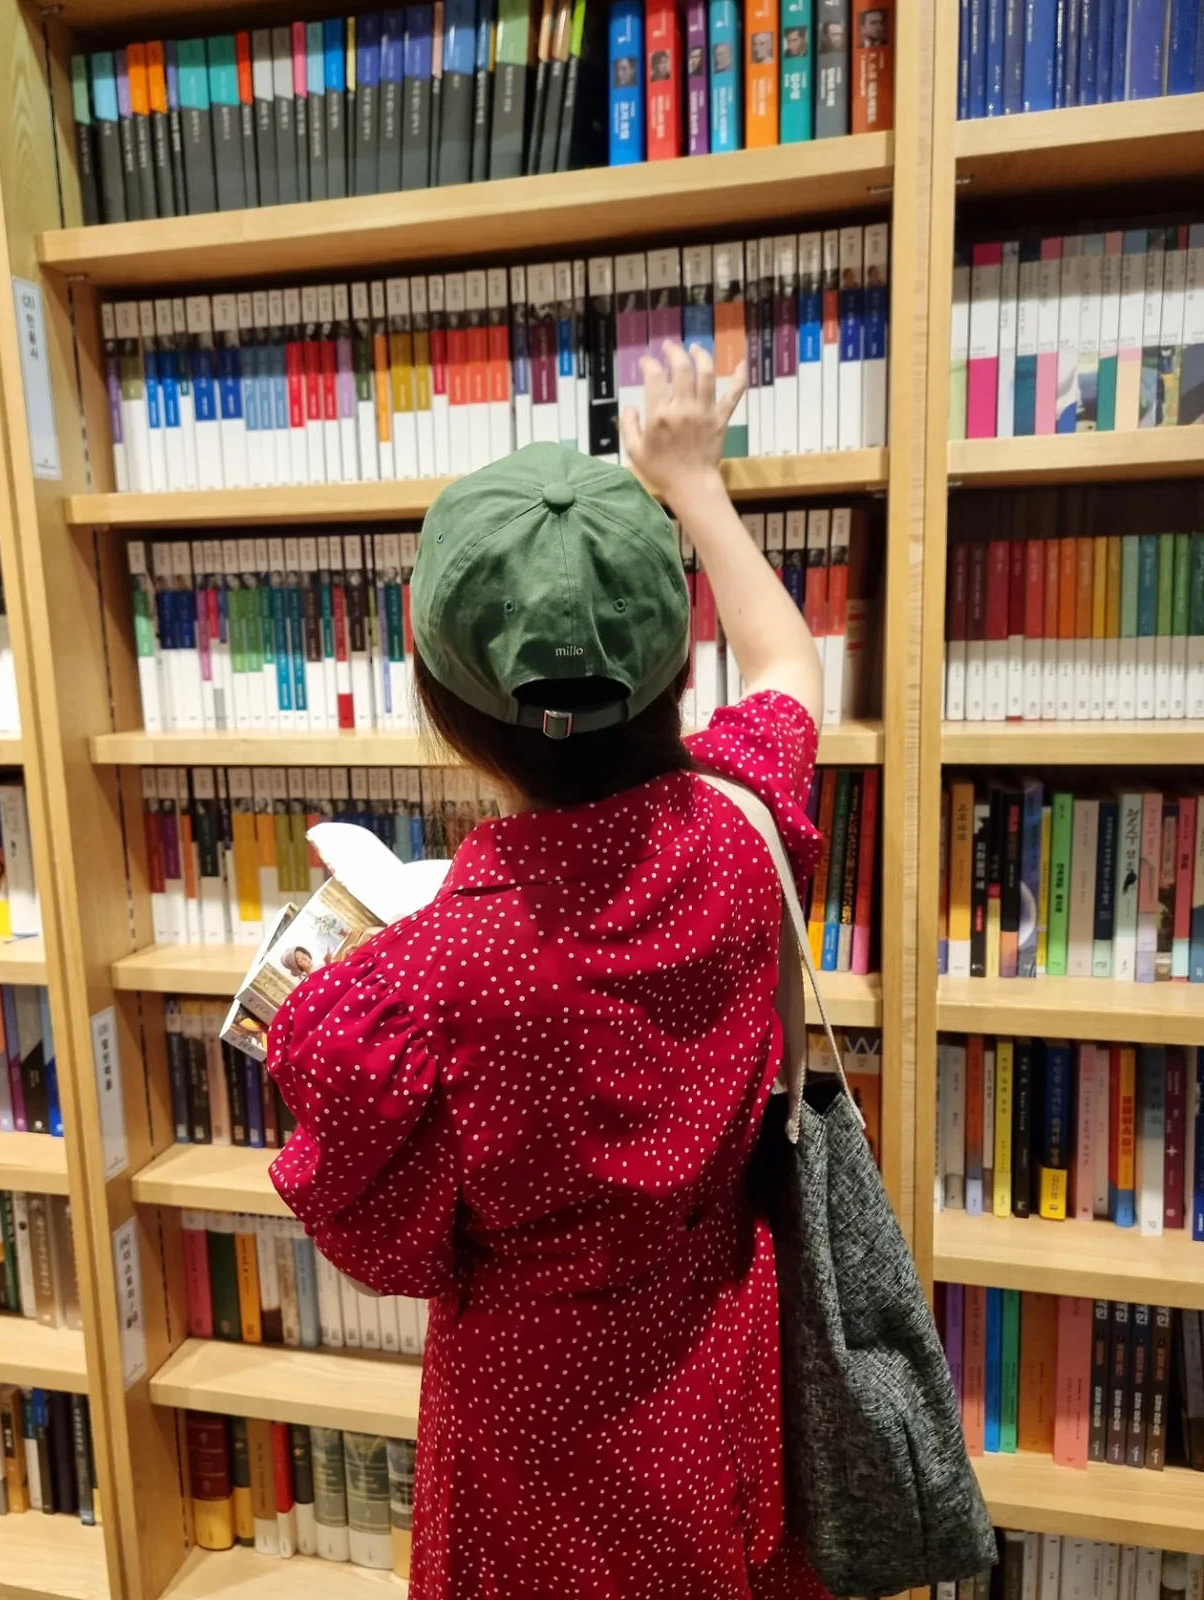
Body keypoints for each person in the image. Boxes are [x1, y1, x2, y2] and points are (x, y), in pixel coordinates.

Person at [267, 342, 828, 1600]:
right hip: (719, 1364)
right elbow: (789, 666)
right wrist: (691, 480)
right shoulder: (741, 824)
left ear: (442, 704)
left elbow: (382, 1244)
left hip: (528, 1429)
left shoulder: (423, 978)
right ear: (672, 672)